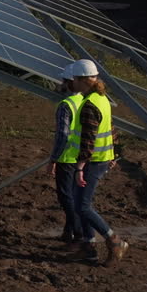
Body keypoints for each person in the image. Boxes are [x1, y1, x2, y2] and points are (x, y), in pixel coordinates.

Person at [70, 58, 129, 266]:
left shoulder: (89, 105)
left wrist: (79, 168)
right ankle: (89, 247)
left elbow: (88, 140)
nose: (72, 83)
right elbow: (112, 128)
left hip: (92, 162)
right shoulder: (101, 98)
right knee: (79, 205)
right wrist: (114, 154)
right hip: (101, 159)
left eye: (75, 79)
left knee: (83, 206)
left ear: (83, 80)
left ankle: (114, 240)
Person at [47, 65, 85, 247]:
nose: (60, 84)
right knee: (73, 196)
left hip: (67, 157)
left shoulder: (66, 105)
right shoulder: (84, 101)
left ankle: (78, 233)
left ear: (69, 83)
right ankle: (68, 232)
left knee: (65, 197)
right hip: (81, 158)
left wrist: (53, 158)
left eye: (63, 81)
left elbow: (63, 135)